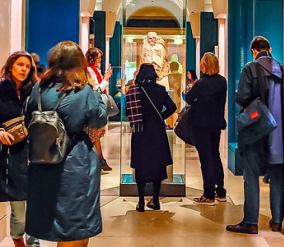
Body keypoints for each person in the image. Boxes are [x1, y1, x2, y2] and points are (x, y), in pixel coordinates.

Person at [24, 41, 107, 247]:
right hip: (76, 164)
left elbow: (27, 119)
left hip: (42, 162)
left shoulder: (38, 88)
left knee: (63, 220)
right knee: (79, 223)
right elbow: (99, 122)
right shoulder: (84, 92)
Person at [0, 51, 42, 247]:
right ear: (11, 66)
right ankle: (19, 241)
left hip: (34, 154)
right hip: (10, 155)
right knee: (19, 211)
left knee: (35, 206)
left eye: (27, 66)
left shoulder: (36, 90)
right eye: (20, 65)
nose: (24, 69)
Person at [227, 36, 284, 235]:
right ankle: (277, 220)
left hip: (256, 127)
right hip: (279, 131)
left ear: (253, 50)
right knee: (277, 175)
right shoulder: (282, 69)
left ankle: (251, 221)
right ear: (269, 49)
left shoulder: (250, 68)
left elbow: (242, 97)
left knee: (251, 175)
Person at [125, 63, 177, 212]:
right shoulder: (160, 89)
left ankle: (141, 201)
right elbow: (172, 107)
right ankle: (155, 200)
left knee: (141, 166)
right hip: (157, 131)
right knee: (157, 165)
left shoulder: (133, 91)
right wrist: (161, 116)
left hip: (140, 131)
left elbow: (129, 112)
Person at [185, 52, 227, 205]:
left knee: (205, 159)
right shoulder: (222, 81)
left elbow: (189, 98)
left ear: (205, 65)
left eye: (202, 62)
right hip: (216, 123)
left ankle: (208, 194)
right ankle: (220, 191)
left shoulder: (201, 83)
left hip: (201, 125)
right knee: (215, 156)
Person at [85, 47, 113, 172]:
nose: (100, 60)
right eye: (99, 58)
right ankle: (100, 160)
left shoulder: (94, 70)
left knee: (95, 135)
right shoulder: (89, 71)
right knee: (94, 135)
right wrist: (106, 78)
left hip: (97, 105)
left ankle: (100, 160)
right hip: (94, 106)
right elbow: (96, 90)